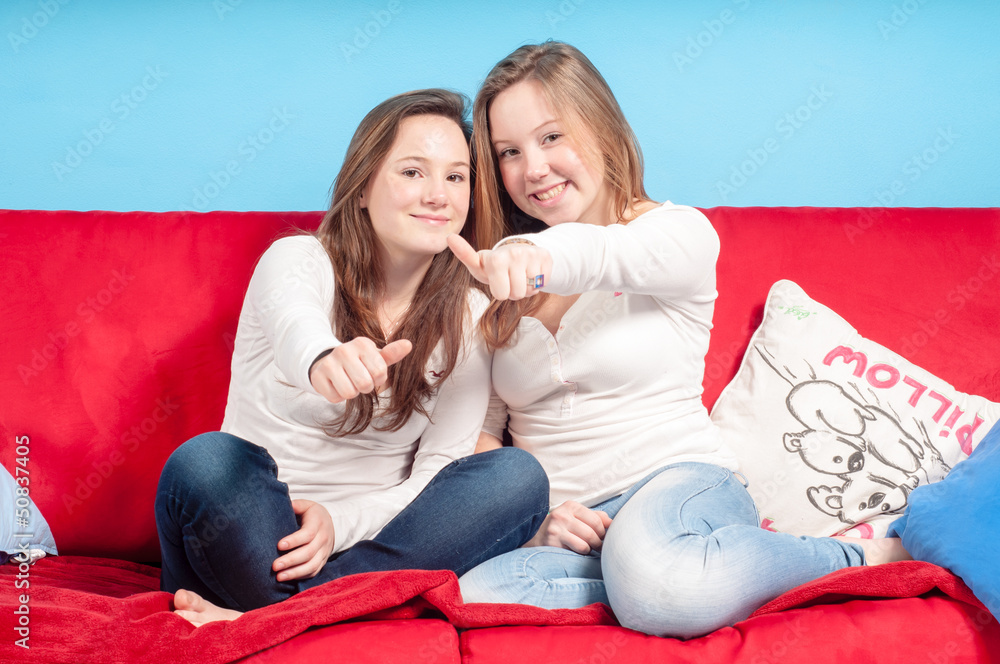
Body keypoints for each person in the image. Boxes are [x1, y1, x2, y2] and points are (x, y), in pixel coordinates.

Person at [447, 42, 910, 639]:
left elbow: (603, 253)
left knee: (655, 577)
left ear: (603, 128)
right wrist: (537, 523)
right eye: (509, 152)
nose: (532, 168)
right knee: (479, 592)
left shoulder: (674, 234)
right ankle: (664, 581)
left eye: (552, 137)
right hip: (580, 528)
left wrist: (528, 255)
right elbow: (482, 431)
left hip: (678, 483)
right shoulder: (495, 284)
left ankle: (854, 558)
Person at [154, 89, 548, 626]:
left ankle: (270, 619)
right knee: (205, 462)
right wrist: (326, 361)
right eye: (413, 172)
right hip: (256, 536)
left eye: (456, 177)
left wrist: (338, 523)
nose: (438, 195)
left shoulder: (468, 312)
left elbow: (436, 476)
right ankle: (342, 609)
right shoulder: (297, 258)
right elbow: (298, 326)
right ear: (362, 187)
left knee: (517, 478)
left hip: (370, 541)